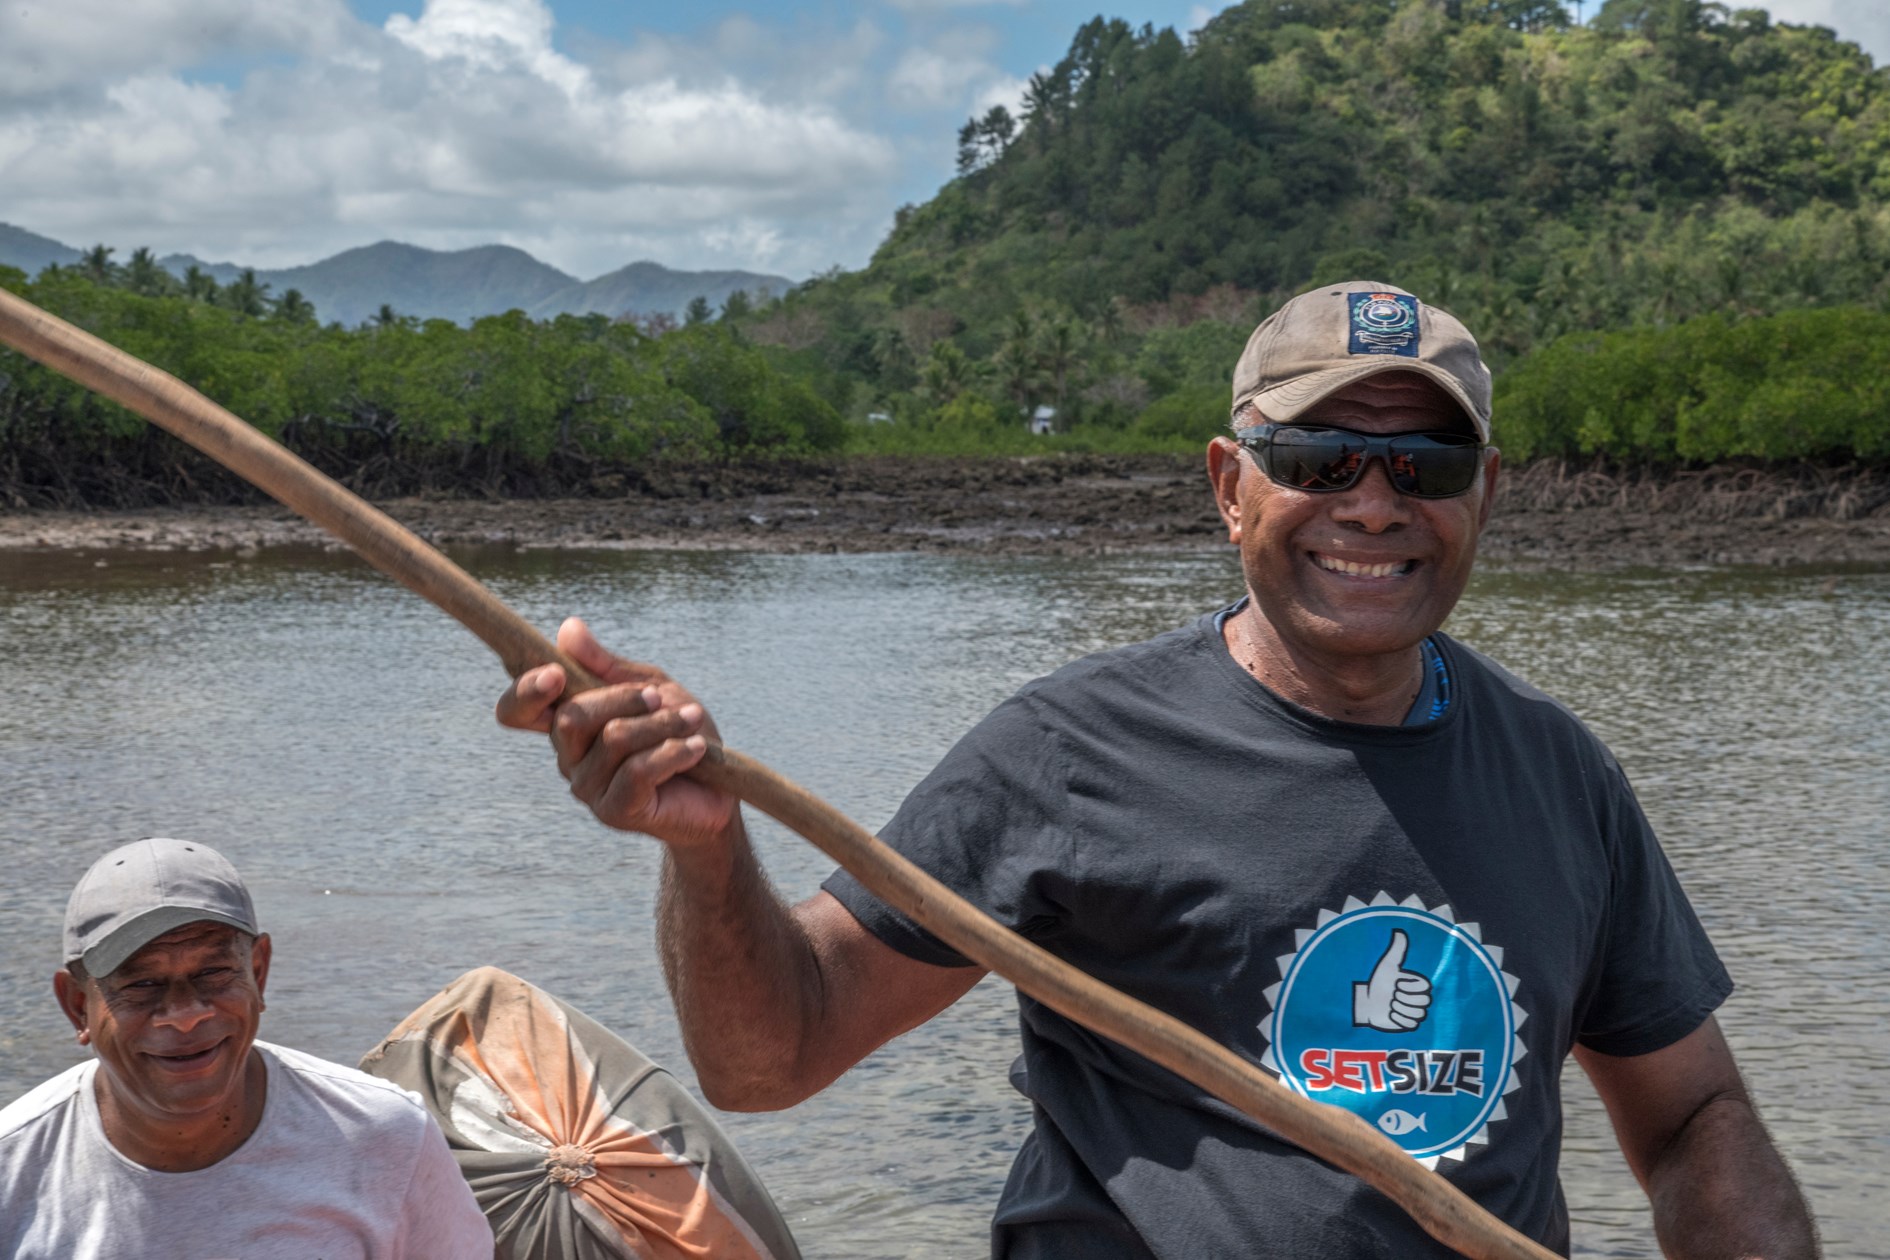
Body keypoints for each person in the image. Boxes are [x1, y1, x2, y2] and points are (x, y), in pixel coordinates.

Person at [496, 280, 1820, 1258]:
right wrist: (706, 848)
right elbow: (770, 1059)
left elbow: (1692, 1112)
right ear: (1229, 487)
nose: (1374, 502)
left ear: (1484, 494)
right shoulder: (1068, 752)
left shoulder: (1559, 775)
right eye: (1317, 458)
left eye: (1425, 462)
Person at [0, 837, 494, 1258]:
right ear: (78, 1006)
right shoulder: (12, 1169)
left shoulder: (388, 1138)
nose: (185, 1013)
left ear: (258, 973)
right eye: (142, 983)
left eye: (214, 973)